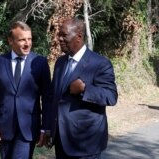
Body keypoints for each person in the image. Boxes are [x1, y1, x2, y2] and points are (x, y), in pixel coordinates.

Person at [50, 18, 118, 159]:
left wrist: (85, 89)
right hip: (62, 141)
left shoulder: (100, 63)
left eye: (64, 35)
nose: (60, 39)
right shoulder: (60, 62)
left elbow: (111, 96)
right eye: (59, 35)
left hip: (86, 142)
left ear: (79, 36)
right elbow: (54, 98)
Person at [0, 21, 51, 159]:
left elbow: (47, 98)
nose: (27, 43)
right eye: (22, 40)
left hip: (28, 129)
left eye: (29, 39)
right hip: (4, 129)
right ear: (10, 40)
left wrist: (45, 127)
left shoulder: (40, 62)